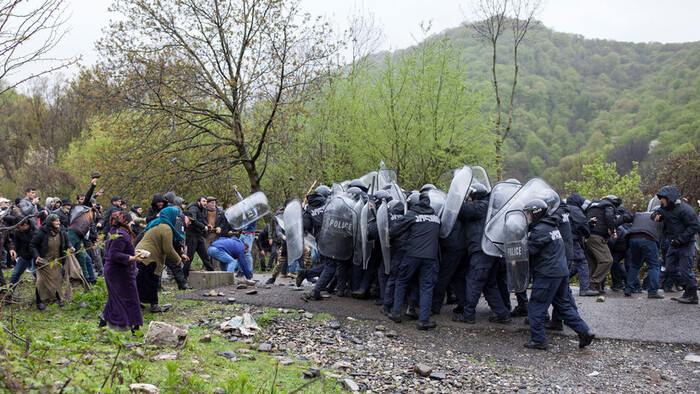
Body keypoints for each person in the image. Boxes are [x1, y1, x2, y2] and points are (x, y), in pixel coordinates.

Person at [521, 199, 595, 350]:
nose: (527, 217)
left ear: (536, 213)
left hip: (547, 274)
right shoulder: (552, 227)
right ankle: (584, 331)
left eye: (529, 214)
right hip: (561, 272)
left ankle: (539, 340)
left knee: (536, 306)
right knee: (563, 305)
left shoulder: (539, 230)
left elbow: (530, 251)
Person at [387, 191, 440, 331]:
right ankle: (423, 321)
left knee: (401, 281)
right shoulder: (436, 217)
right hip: (430, 257)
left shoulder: (412, 215)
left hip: (412, 255)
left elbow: (394, 231)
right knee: (426, 288)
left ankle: (397, 313)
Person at [652, 186, 700, 304]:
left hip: (686, 244)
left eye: (663, 198)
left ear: (670, 198)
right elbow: (657, 212)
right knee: (670, 268)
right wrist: (654, 215)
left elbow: (694, 226)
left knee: (685, 269)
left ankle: (692, 294)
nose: (661, 201)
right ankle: (687, 289)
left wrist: (681, 239)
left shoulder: (685, 210)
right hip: (673, 244)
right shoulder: (664, 208)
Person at [100, 211, 144, 332]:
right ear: (123, 221)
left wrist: (133, 254)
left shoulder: (115, 232)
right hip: (120, 273)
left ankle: (102, 325)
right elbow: (114, 254)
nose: (132, 222)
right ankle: (135, 329)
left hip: (115, 271)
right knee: (131, 299)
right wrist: (133, 258)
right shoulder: (121, 234)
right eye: (130, 220)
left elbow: (119, 251)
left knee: (115, 297)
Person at [135, 207, 184, 313]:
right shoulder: (166, 228)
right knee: (152, 280)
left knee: (141, 281)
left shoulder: (156, 223)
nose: (176, 218)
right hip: (149, 256)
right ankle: (154, 306)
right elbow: (168, 248)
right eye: (175, 216)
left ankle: (137, 303)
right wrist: (177, 259)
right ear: (170, 216)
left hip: (140, 253)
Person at [29, 214, 74, 310]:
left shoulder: (61, 231)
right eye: (56, 221)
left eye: (59, 220)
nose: (59, 222)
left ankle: (57, 299)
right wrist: (37, 256)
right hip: (44, 261)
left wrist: (70, 247)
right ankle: (39, 301)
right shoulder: (42, 232)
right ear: (50, 222)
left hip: (57, 261)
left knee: (57, 279)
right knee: (41, 281)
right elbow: (33, 245)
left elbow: (67, 241)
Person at [624, 209, 665, 298]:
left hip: (633, 238)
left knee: (635, 265)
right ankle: (653, 292)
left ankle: (628, 288)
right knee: (654, 266)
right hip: (649, 239)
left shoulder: (639, 214)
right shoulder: (660, 218)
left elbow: (624, 218)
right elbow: (662, 234)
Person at [184, 195, 213, 275]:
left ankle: (212, 274)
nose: (205, 203)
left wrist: (207, 225)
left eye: (206, 201)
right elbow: (193, 220)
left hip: (199, 235)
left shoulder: (203, 210)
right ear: (198, 202)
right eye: (203, 201)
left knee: (205, 256)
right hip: (192, 235)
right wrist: (204, 226)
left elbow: (203, 220)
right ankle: (183, 278)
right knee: (189, 257)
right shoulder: (193, 208)